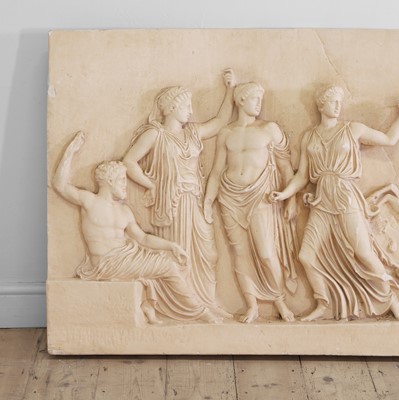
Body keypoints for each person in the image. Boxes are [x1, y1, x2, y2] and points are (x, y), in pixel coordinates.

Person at [53, 131, 220, 324]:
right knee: (168, 266)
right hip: (107, 263)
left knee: (170, 260)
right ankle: (199, 312)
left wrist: (171, 246)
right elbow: (60, 185)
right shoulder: (89, 201)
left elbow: (143, 238)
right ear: (109, 182)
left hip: (126, 257)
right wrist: (70, 151)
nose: (125, 185)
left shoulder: (124, 211)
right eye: (122, 181)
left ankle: (150, 304)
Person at [270, 85, 399, 321]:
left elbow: (389, 140)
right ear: (321, 105)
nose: (338, 106)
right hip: (321, 202)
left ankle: (391, 300)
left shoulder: (353, 129)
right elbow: (302, 175)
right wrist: (285, 194)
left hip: (346, 198)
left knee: (363, 252)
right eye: (333, 101)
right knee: (306, 255)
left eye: (340, 101)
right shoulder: (310, 137)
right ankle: (323, 303)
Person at [123, 69, 236, 317]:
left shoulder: (193, 132)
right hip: (172, 204)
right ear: (172, 108)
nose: (191, 111)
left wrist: (229, 90)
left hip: (194, 200)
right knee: (179, 253)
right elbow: (129, 162)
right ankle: (189, 307)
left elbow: (220, 122)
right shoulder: (155, 134)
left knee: (208, 254)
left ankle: (208, 301)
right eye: (186, 106)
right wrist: (151, 185)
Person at [204, 82, 299, 323]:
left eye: (261, 99)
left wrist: (291, 199)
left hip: (260, 196)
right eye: (255, 98)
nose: (259, 103)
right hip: (229, 197)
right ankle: (252, 305)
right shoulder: (227, 133)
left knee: (266, 252)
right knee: (239, 253)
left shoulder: (269, 129)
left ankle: (279, 301)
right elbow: (216, 171)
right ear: (241, 100)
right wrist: (208, 200)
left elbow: (285, 166)